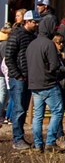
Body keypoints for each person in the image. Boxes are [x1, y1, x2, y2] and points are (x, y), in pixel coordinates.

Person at [26, 15, 65, 151]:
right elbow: (54, 66)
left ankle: (38, 144)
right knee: (57, 111)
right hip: (48, 84)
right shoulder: (49, 44)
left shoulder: (32, 44)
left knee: (38, 116)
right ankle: (50, 141)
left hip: (34, 84)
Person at [6, 11, 38, 150]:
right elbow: (9, 57)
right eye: (34, 22)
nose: (37, 24)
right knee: (18, 109)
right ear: (27, 21)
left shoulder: (33, 37)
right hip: (18, 78)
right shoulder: (16, 36)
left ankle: (20, 137)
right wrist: (17, 75)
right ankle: (17, 139)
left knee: (23, 109)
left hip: (28, 77)